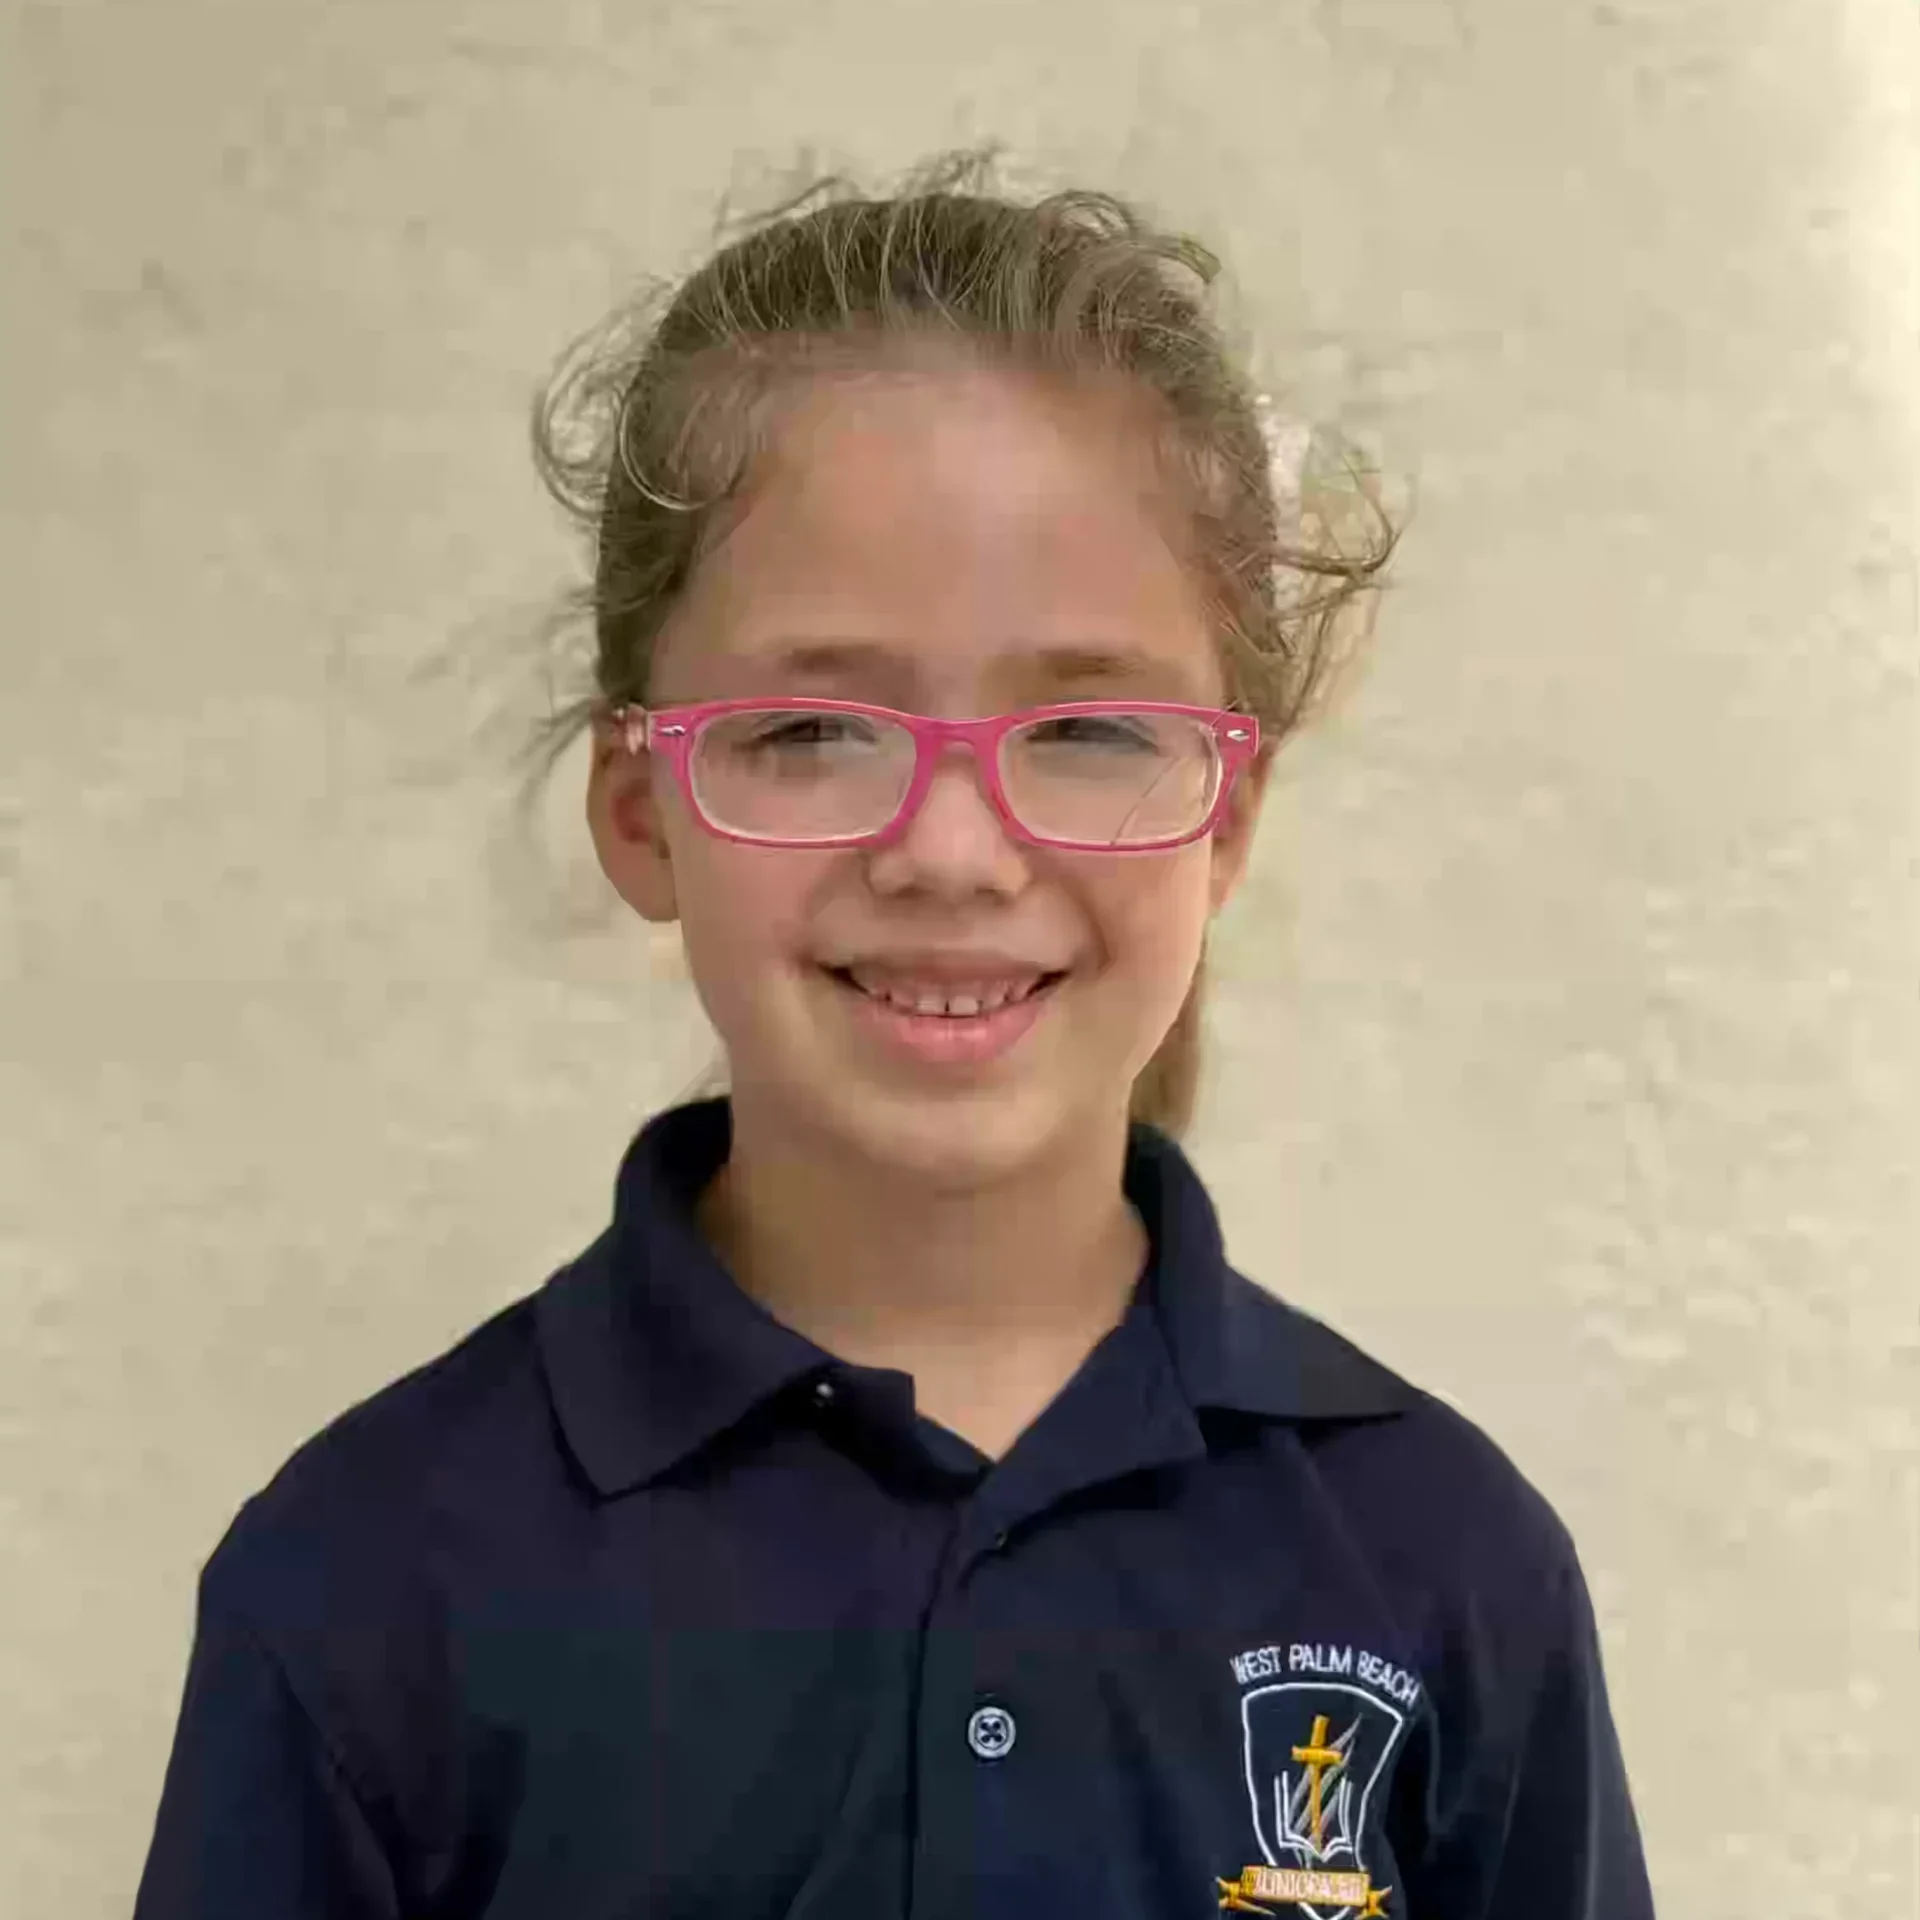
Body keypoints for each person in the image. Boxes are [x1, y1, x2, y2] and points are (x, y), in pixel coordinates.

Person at [134, 149, 1656, 1919]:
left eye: (1087, 728)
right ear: (644, 812)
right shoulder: (360, 1584)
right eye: (813, 733)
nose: (950, 850)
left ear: (1222, 822)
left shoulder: (1448, 1566)